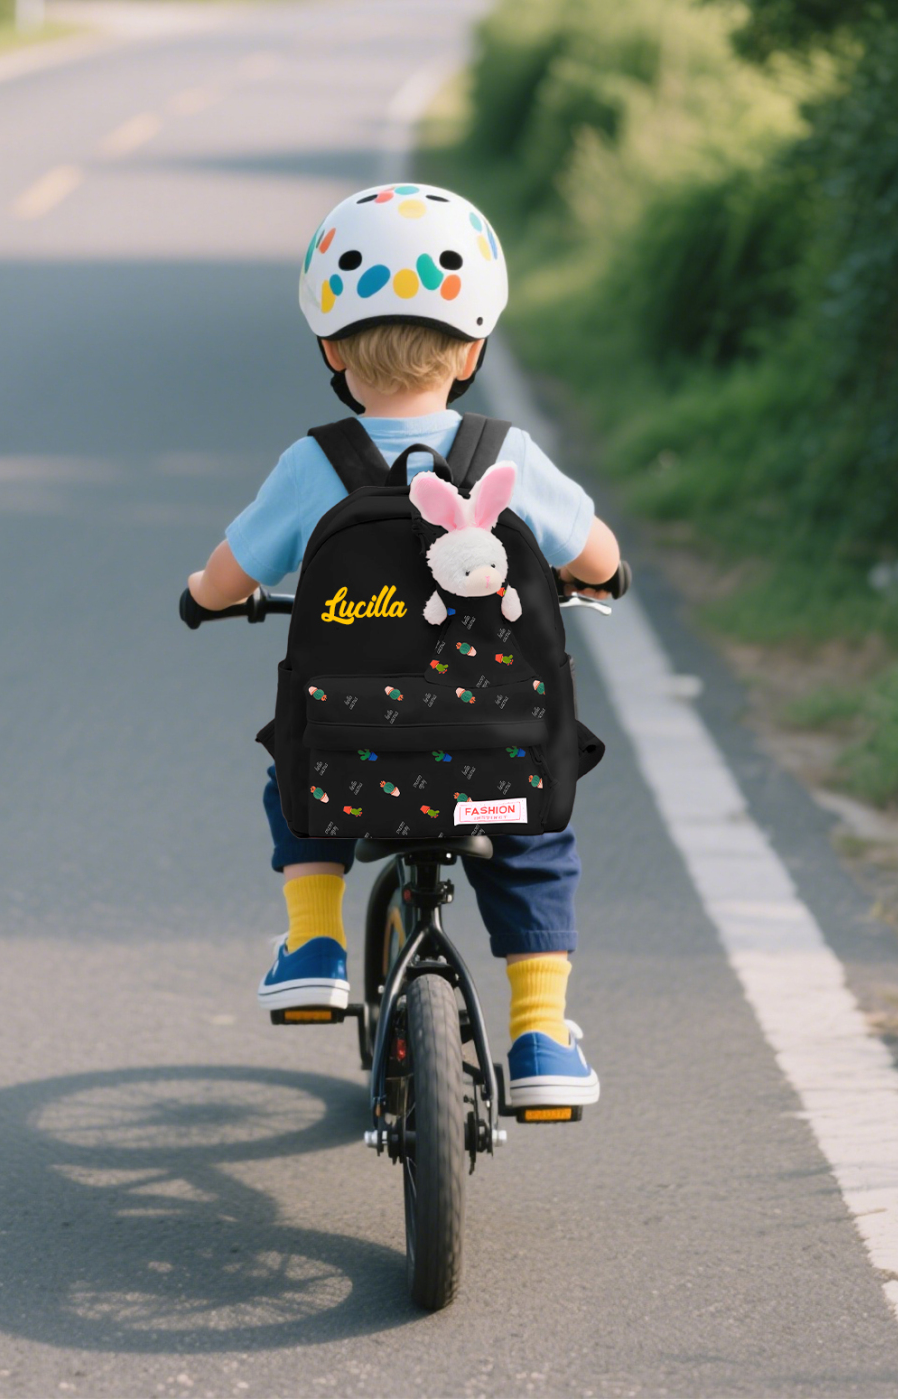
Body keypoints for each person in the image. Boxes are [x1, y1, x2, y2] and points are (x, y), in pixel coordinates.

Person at [186, 183, 622, 1107]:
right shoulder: (506, 456)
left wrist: (201, 596)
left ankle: (314, 946)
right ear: (471, 348)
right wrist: (597, 578)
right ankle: (540, 1039)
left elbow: (233, 573)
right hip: (499, 754)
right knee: (539, 840)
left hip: (354, 757)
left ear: (331, 349)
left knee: (290, 768)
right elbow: (598, 554)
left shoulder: (318, 465)